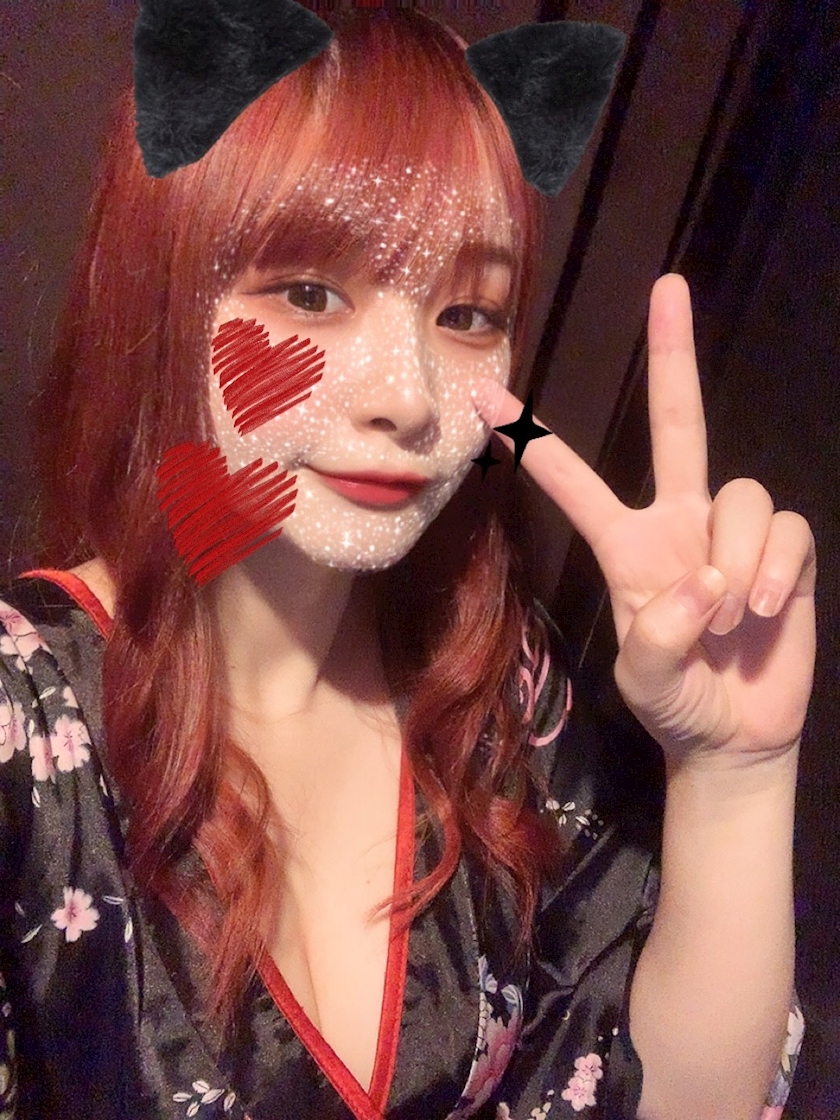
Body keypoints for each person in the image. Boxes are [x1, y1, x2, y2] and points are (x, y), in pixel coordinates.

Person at [0, 8, 811, 1119]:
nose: (409, 396)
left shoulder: (499, 700)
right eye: (309, 294)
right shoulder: (24, 737)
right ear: (166, 294)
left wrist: (735, 776)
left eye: (467, 313)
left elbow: (667, 1097)